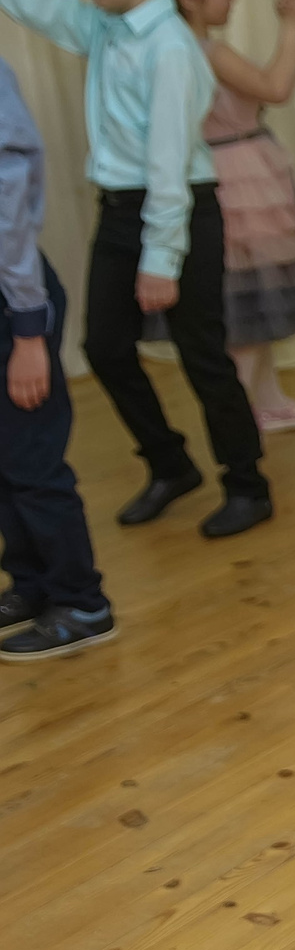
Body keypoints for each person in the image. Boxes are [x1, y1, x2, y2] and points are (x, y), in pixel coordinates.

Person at [0, 0, 271, 539]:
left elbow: (169, 167)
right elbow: (33, 3)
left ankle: (247, 483)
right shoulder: (102, 25)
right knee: (104, 347)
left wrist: (161, 259)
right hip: (119, 210)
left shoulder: (173, 49)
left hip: (179, 212)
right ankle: (170, 463)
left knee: (201, 353)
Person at [166, 0, 295, 435]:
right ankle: (238, 416)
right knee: (246, 300)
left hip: (237, 170)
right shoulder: (206, 51)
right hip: (237, 180)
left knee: (256, 296)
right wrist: (291, 26)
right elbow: (275, 88)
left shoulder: (182, 48)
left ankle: (267, 400)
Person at [0, 54, 115, 661]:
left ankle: (82, 601)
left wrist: (27, 331)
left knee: (33, 461)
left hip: (13, 296)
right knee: (4, 461)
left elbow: (7, 212)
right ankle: (33, 585)